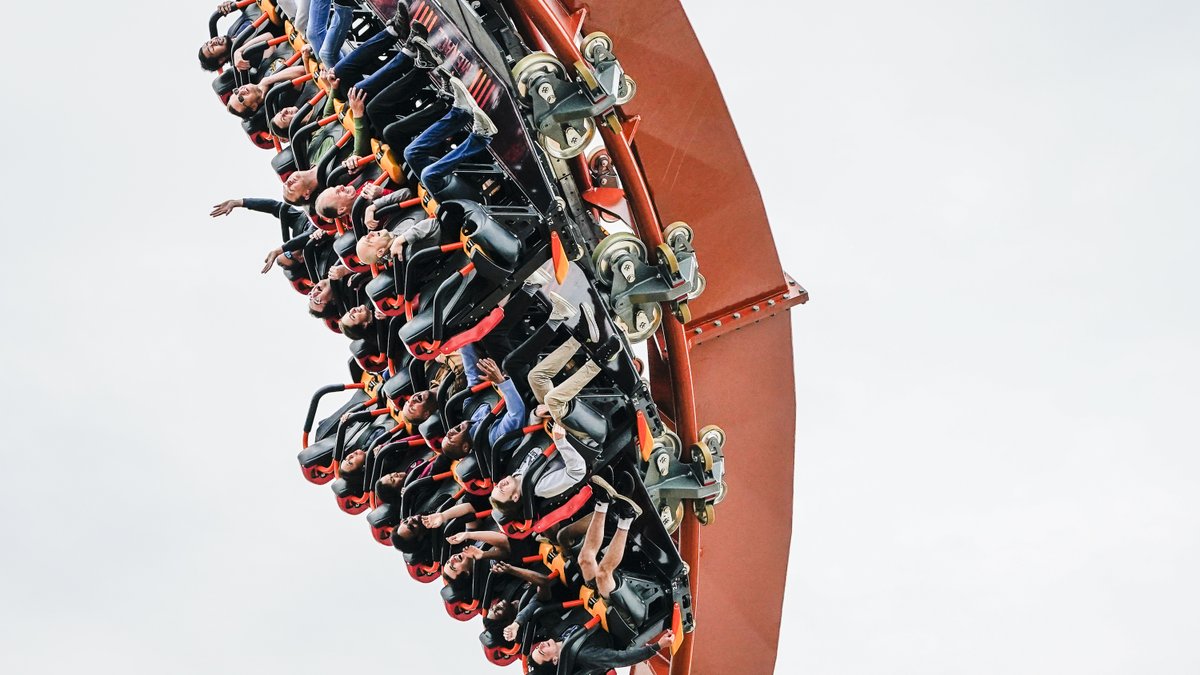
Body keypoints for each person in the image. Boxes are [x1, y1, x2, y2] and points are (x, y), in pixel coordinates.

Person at [403, 70, 498, 196]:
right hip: (451, 210)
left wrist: (375, 205)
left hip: (426, 196)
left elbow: (405, 192)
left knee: (410, 153)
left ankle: (461, 112)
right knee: (428, 176)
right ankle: (481, 136)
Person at [439, 349, 526, 460]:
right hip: (522, 390)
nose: (449, 433)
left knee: (484, 342)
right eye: (451, 439)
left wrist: (464, 342)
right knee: (508, 364)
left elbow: (473, 378)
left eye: (446, 435)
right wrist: (500, 381)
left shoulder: (468, 411)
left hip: (502, 376)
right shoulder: (493, 438)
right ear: (465, 447)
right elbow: (517, 413)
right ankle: (551, 331)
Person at [489, 422, 586, 520]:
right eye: (501, 490)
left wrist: (535, 415)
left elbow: (529, 435)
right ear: (515, 497)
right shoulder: (541, 488)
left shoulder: (514, 465)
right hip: (577, 438)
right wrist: (561, 441)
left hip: (552, 425)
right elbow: (577, 472)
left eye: (497, 486)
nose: (501, 484)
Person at [198, 1, 254, 71]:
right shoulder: (243, 57)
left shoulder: (231, 32)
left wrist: (232, 5)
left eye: (208, 42)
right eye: (211, 48)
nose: (212, 42)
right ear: (221, 60)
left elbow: (249, 11)